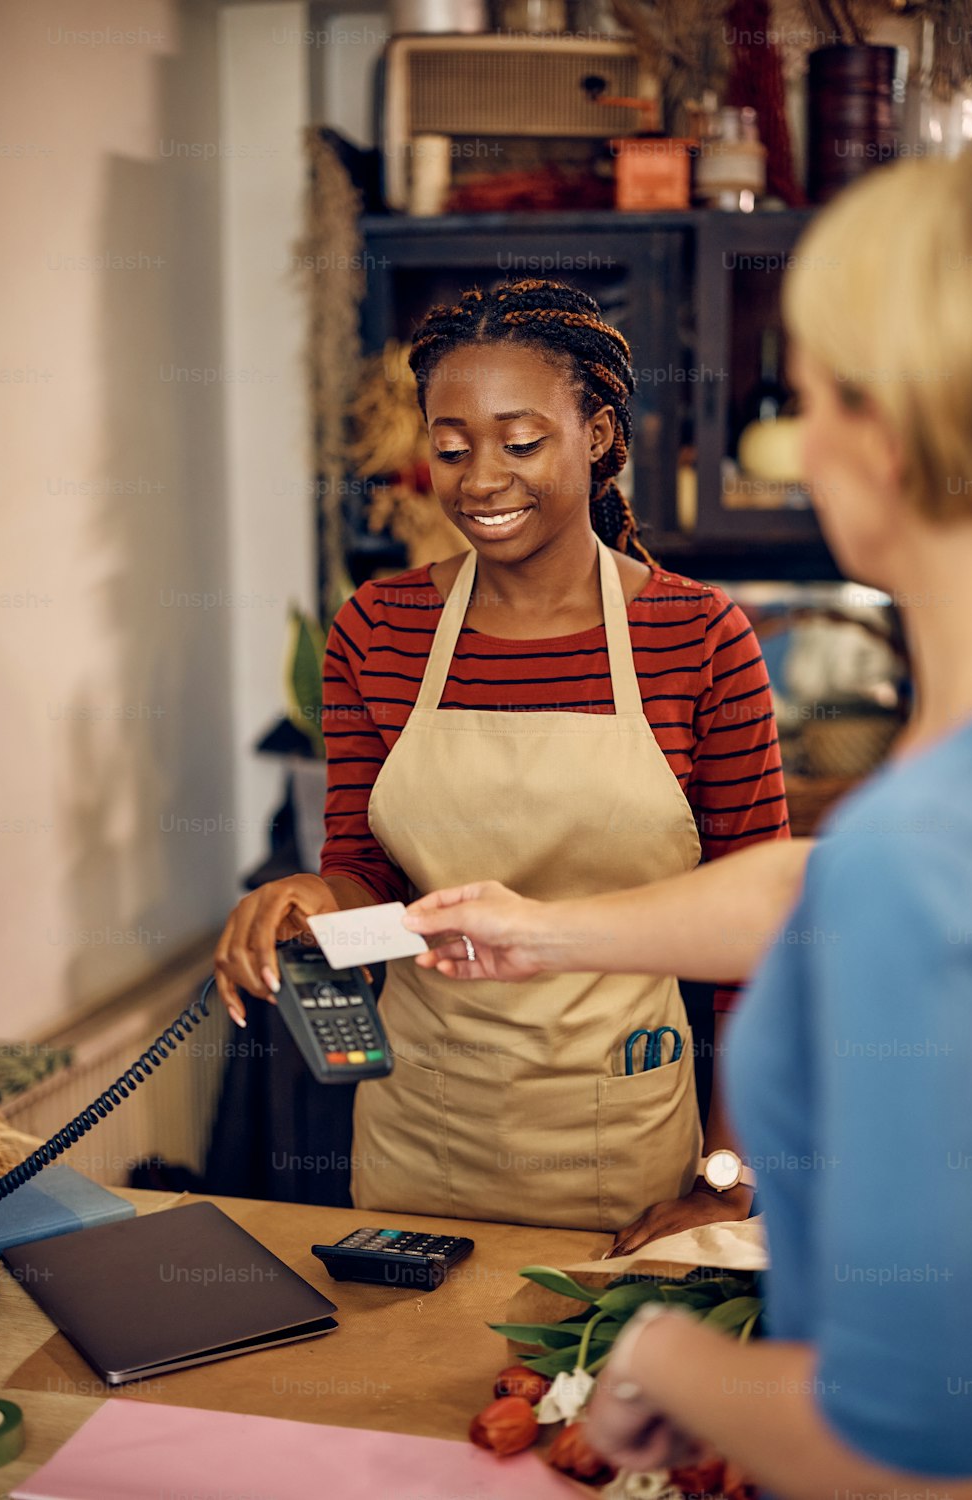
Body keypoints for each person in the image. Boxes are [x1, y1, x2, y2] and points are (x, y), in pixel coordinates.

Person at [403, 153, 972, 1497]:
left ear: (882, 437)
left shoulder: (921, 845)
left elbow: (917, 1452)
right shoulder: (941, 812)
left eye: (807, 386)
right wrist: (543, 933)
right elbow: (822, 883)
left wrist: (665, 1365)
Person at [213, 278, 789, 1241]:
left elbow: (759, 941)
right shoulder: (380, 629)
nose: (479, 481)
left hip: (624, 1142)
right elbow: (369, 877)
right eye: (450, 447)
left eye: (522, 443)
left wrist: (725, 1180)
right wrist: (309, 901)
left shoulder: (697, 636)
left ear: (599, 434)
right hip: (418, 1131)